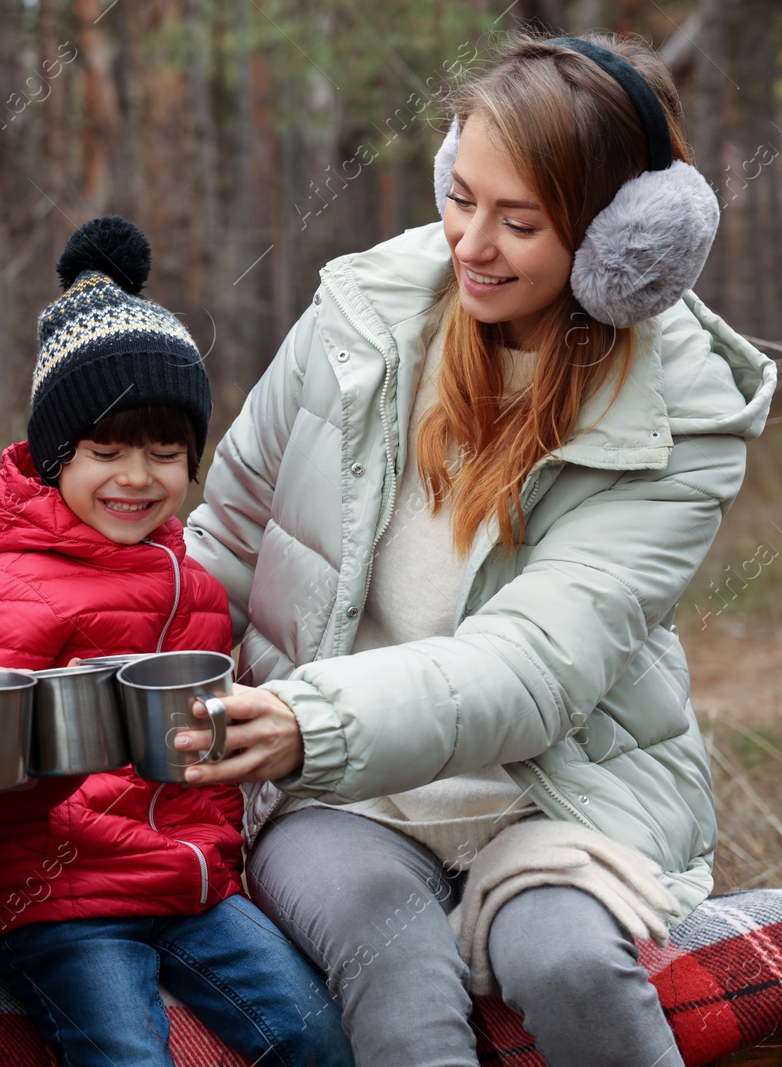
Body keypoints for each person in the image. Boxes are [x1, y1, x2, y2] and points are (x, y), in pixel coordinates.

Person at [177, 33, 776, 1067]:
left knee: (570, 963)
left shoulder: (684, 413)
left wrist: (309, 720)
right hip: (342, 789)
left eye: (518, 221)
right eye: (461, 195)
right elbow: (223, 537)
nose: (469, 243)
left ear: (616, 241)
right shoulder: (360, 317)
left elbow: (536, 666)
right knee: (393, 963)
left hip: (554, 786)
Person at [0, 217, 352, 1067]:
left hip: (191, 887)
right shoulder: (7, 586)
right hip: (56, 899)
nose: (136, 476)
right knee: (127, 1052)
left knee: (313, 1035)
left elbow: (211, 751)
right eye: (106, 450)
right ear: (56, 456)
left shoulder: (190, 581)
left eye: (165, 452)